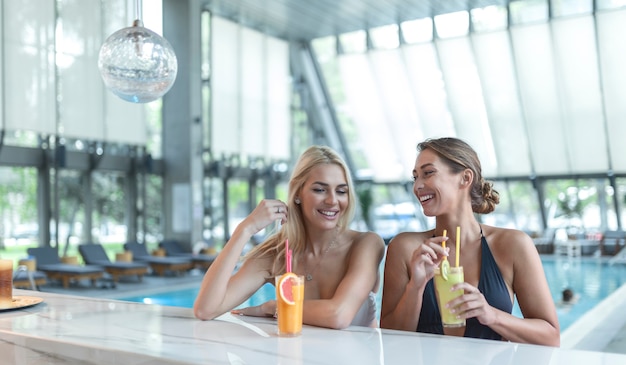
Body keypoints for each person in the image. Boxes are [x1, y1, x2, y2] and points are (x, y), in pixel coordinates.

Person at [381, 137, 560, 346]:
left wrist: (491, 315)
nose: (418, 186)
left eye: (428, 173)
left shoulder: (512, 245)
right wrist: (416, 287)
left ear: (465, 178)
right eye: (415, 177)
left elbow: (551, 337)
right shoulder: (405, 248)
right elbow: (389, 340)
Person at [194, 145, 385, 329]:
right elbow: (205, 309)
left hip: (356, 361)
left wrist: (273, 306)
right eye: (320, 189)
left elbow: (339, 315)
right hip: (296, 360)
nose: (332, 200)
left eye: (341, 191)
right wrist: (245, 229)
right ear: (297, 193)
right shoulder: (276, 255)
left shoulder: (366, 244)